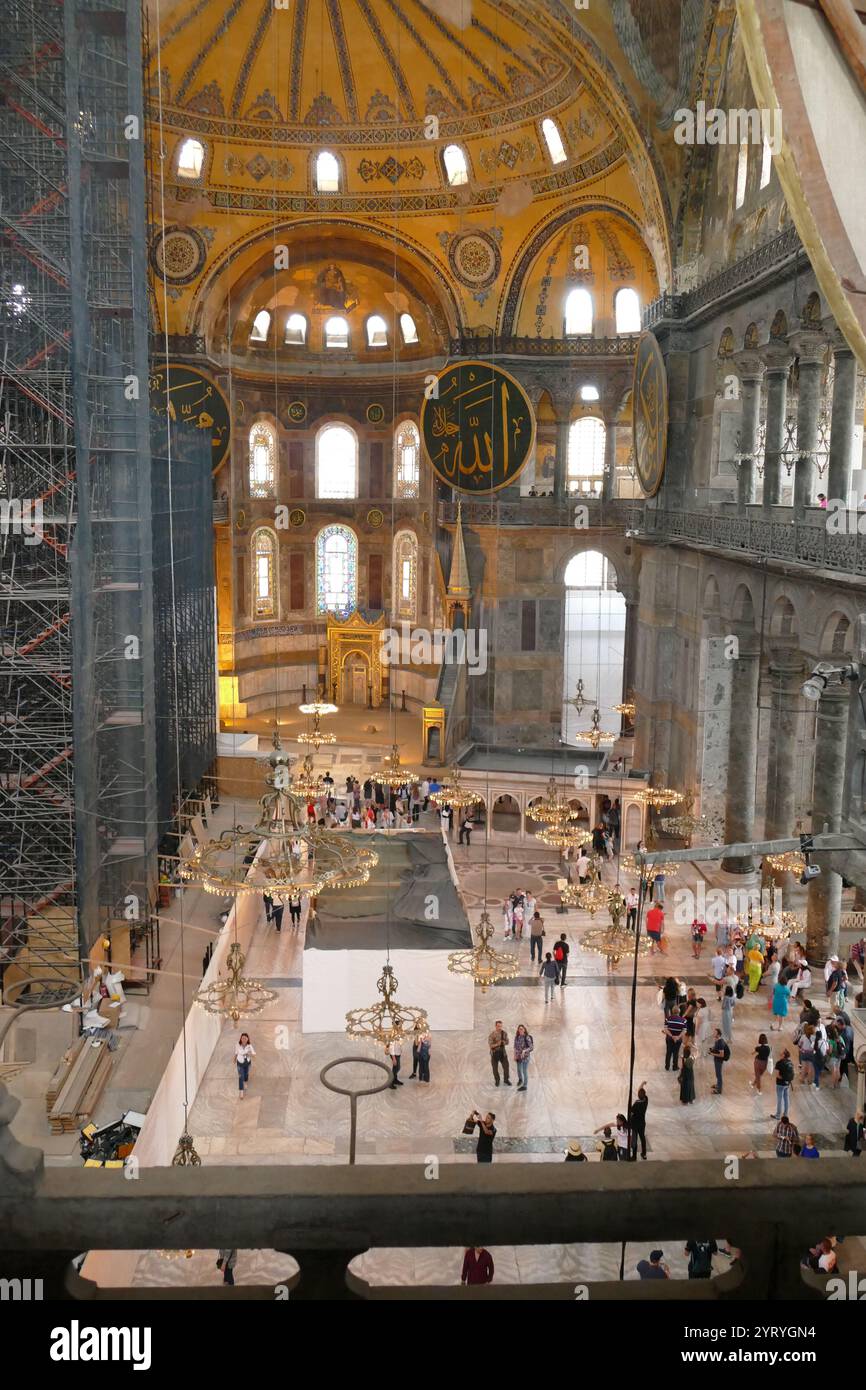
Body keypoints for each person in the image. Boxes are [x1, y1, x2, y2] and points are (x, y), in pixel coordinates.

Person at [773, 1049, 795, 1119]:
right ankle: (785, 1114)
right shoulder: (790, 1062)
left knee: (780, 1099)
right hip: (787, 1083)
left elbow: (777, 1075)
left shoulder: (779, 1063)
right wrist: (786, 1080)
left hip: (780, 1084)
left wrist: (782, 1078)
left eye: (781, 1053)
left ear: (784, 1055)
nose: (780, 1053)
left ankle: (778, 1115)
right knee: (786, 1098)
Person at [629, 1084, 649, 1160]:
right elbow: (641, 1091)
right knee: (642, 1138)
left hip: (635, 1124)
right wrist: (642, 1084)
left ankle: (634, 1156)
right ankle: (644, 1154)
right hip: (642, 1123)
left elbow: (631, 1113)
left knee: (634, 1139)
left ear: (638, 1095)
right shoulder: (646, 1100)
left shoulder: (636, 1104)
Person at [663, 1005, 686, 1072]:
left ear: (672, 1011)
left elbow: (665, 1029)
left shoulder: (668, 1019)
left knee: (668, 1052)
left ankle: (667, 1066)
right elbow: (684, 1031)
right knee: (676, 1053)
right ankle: (675, 1067)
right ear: (679, 1012)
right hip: (678, 1040)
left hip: (669, 1039)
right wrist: (678, 1037)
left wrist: (671, 1036)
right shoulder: (683, 1021)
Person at [488, 1021, 511, 1086]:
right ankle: (497, 1080)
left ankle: (506, 1080)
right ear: (495, 1026)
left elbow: (507, 1042)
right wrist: (497, 1044)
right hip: (494, 1054)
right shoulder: (492, 1034)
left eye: (500, 1026)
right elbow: (490, 1045)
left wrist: (504, 1042)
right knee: (495, 1068)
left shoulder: (504, 1033)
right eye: (498, 1026)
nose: (499, 1027)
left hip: (503, 1053)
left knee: (506, 1067)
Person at [514, 1023, 534, 1091]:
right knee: (519, 1070)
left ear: (524, 1030)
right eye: (519, 1029)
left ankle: (525, 1086)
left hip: (525, 1057)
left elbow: (531, 1047)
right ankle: (520, 1079)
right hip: (519, 1057)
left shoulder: (527, 1037)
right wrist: (515, 1055)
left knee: (524, 1071)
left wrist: (524, 1050)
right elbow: (515, 1047)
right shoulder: (517, 1037)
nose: (520, 1030)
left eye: (522, 1029)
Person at [709, 1028, 729, 1094]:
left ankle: (719, 1090)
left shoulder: (720, 1043)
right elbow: (715, 1047)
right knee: (717, 1074)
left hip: (719, 1060)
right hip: (716, 1060)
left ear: (718, 1034)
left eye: (715, 1032)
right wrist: (712, 1049)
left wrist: (712, 1054)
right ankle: (718, 1085)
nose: (713, 1033)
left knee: (719, 1074)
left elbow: (721, 1055)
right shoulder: (717, 1040)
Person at [235, 1032, 255, 1098]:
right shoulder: (237, 1045)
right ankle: (241, 1091)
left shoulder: (249, 1046)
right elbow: (236, 1052)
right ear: (240, 1038)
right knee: (241, 1076)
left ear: (247, 1039)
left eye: (245, 1038)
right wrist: (234, 1058)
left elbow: (254, 1054)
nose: (244, 1039)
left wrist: (249, 1054)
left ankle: (245, 1081)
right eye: (242, 1038)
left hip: (247, 1063)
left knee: (246, 1074)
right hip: (240, 1063)